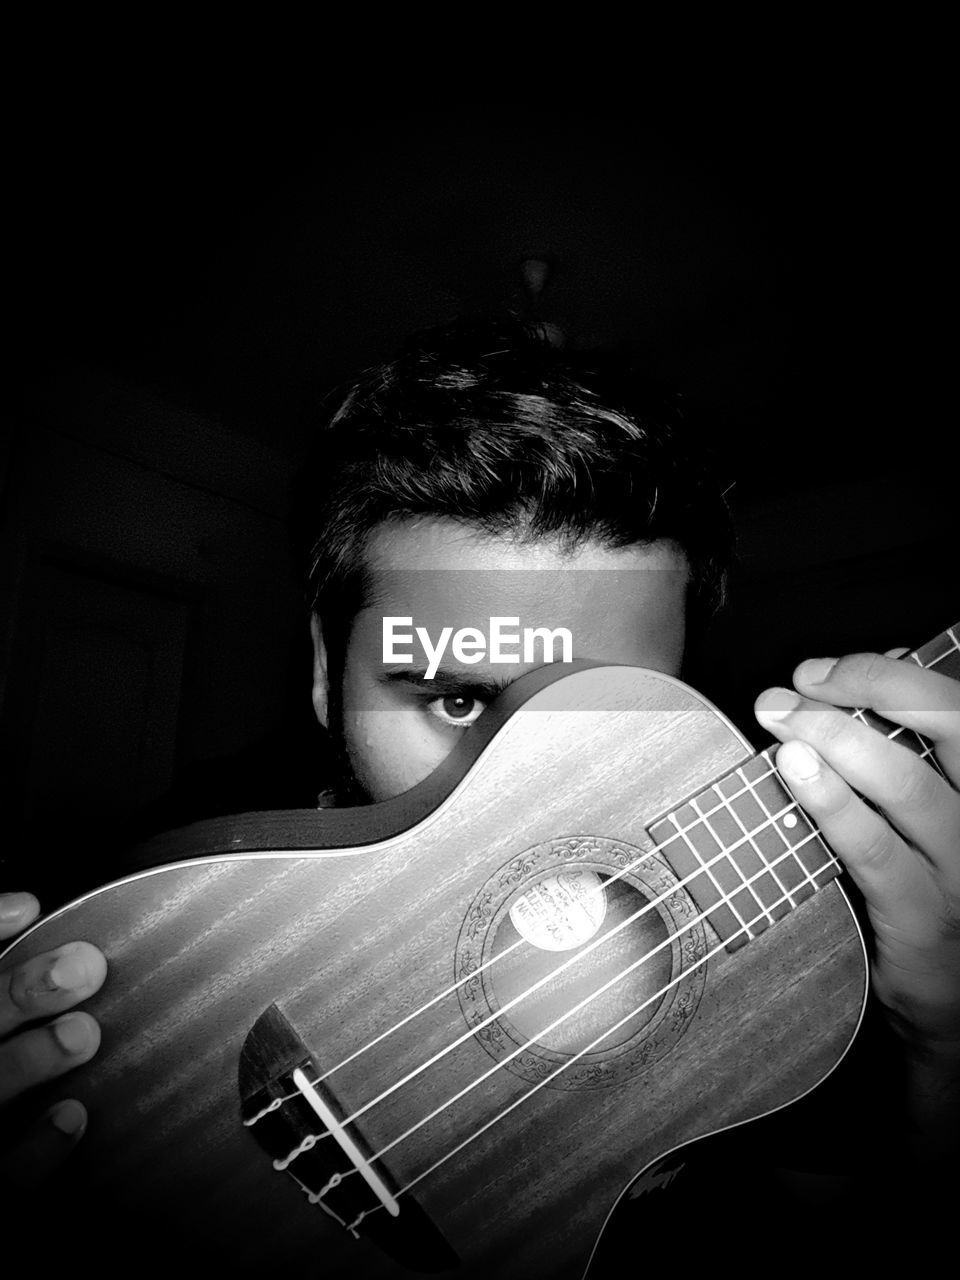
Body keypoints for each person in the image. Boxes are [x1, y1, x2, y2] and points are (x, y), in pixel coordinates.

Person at [1, 319, 958, 1254]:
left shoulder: (805, 965)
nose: (523, 794)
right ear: (329, 673)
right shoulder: (151, 922)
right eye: (459, 700)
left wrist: (945, 1047)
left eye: (597, 711)